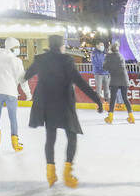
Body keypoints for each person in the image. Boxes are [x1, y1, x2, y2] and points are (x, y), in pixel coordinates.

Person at [26, 34, 103, 187]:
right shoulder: (66, 60)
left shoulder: (41, 59)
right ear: (61, 46)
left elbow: (27, 74)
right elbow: (79, 81)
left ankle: (50, 173)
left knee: (50, 137)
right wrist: (97, 99)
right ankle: (67, 174)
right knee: (72, 136)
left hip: (47, 103)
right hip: (64, 103)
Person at [0, 37, 26, 151]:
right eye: (17, 47)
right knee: (13, 118)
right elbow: (22, 78)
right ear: (12, 48)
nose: (19, 50)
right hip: (11, 92)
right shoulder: (16, 61)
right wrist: (28, 93)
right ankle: (15, 142)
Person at [103, 41, 133, 124]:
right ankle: (131, 116)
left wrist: (107, 57)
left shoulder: (109, 56)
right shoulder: (121, 56)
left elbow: (104, 67)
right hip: (124, 79)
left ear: (110, 49)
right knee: (125, 98)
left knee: (113, 99)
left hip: (114, 80)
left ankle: (110, 117)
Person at [90, 42, 107, 110]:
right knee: (98, 89)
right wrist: (102, 67)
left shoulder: (105, 53)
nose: (102, 46)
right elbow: (94, 62)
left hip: (106, 73)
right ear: (97, 46)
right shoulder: (94, 53)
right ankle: (98, 103)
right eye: (101, 45)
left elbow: (108, 61)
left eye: (103, 45)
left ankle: (106, 103)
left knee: (107, 89)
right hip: (98, 73)